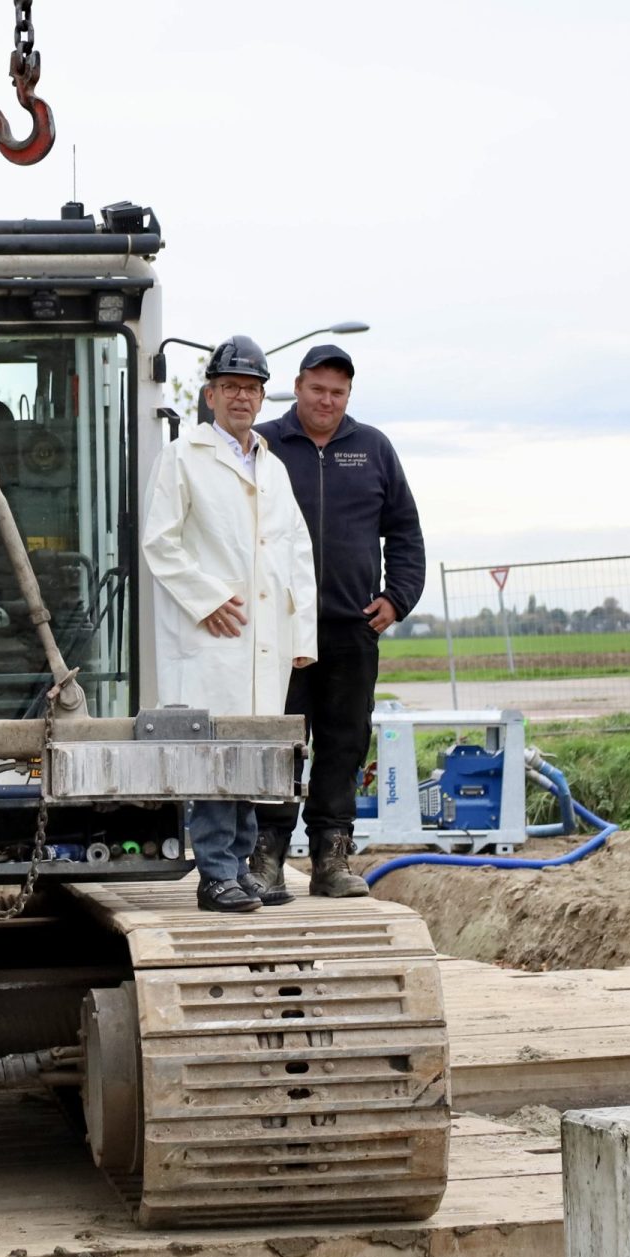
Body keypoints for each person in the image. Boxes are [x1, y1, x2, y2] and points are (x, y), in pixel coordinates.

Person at [142, 336, 317, 913]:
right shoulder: (183, 455)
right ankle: (215, 872)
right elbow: (160, 543)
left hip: (264, 641)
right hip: (212, 635)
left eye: (252, 388)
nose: (242, 397)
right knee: (215, 753)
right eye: (232, 387)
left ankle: (240, 869)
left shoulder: (271, 465)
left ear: (263, 397)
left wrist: (301, 637)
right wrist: (206, 600)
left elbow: (296, 553)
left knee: (250, 756)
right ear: (210, 394)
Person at [251, 345, 425, 898]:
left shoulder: (373, 448)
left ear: (348, 396)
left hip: (352, 628)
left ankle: (331, 856)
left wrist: (397, 597)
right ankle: (267, 856)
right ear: (297, 387)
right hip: (279, 628)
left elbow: (404, 531)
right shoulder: (265, 444)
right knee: (276, 740)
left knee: (344, 741)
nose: (326, 401)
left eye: (338, 392)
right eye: (317, 389)